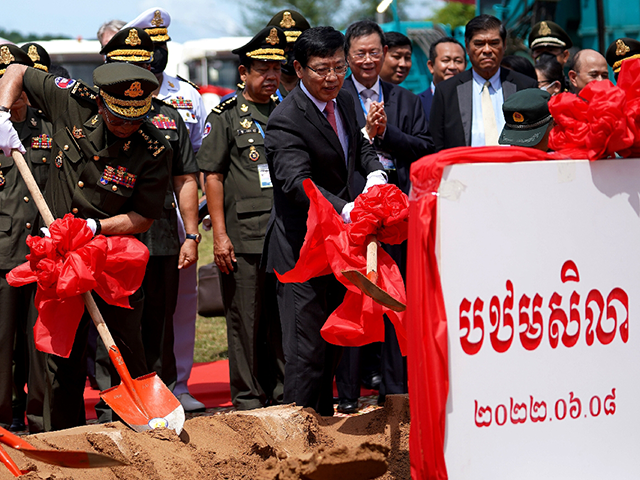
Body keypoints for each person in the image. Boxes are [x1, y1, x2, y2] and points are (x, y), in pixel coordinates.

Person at [0, 61, 171, 431]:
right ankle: (63, 437)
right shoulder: (71, 100)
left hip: (111, 260)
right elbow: (15, 70)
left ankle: (141, 432)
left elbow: (144, 216)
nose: (126, 127)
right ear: (100, 103)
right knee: (59, 357)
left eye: (135, 119)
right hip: (59, 260)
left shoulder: (154, 147)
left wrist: (96, 227)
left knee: (126, 348)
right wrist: (1, 112)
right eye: (117, 118)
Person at [264, 26, 386, 416]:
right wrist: (346, 208)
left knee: (331, 344)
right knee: (305, 351)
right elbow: (296, 183)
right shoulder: (286, 119)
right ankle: (293, 440)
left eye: (339, 67)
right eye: (322, 69)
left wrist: (374, 174)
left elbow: (360, 145)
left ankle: (321, 425)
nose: (332, 78)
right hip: (301, 251)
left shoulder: (346, 100)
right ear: (298, 69)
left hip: (338, 245)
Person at [99, 27, 200, 413]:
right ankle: (115, 406)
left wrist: (190, 234)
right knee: (116, 322)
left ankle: (162, 401)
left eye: (144, 65)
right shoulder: (98, 113)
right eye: (127, 65)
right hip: (113, 238)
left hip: (159, 238)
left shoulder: (170, 117)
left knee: (158, 322)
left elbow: (186, 178)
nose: (139, 74)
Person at [339, 19, 431, 413]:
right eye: (359, 53)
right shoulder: (337, 96)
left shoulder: (405, 99)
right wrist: (364, 134)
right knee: (355, 298)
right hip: (354, 213)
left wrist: (386, 133)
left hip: (399, 215)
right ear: (347, 57)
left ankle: (394, 390)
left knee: (399, 300)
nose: (368, 60)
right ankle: (347, 395)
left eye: (375, 52)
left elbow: (424, 148)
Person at [198, 27, 286, 410]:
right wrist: (219, 235)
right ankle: (249, 398)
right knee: (245, 321)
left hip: (284, 233)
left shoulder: (288, 110)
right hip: (243, 234)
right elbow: (212, 176)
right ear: (244, 74)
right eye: (261, 69)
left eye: (276, 68)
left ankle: (283, 393)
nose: (270, 76)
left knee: (281, 320)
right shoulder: (227, 116)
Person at [124, 7, 207, 412]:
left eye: (159, 49)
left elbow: (194, 165)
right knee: (128, 308)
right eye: (145, 50)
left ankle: (179, 382)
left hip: (172, 218)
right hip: (121, 219)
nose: (155, 57)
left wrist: (193, 228)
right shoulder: (110, 99)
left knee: (176, 305)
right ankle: (125, 389)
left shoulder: (185, 97)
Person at [0, 44, 51, 434]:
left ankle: (41, 421)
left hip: (42, 256)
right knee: (1, 345)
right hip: (1, 254)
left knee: (39, 345)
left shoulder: (47, 130)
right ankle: (3, 422)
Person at [429, 15, 538, 152]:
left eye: (494, 43)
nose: (487, 50)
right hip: (463, 170)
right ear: (467, 47)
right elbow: (436, 145)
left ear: (504, 45)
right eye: (479, 44)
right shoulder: (446, 91)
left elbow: (537, 142)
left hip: (515, 169)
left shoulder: (525, 87)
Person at [417, 36, 466, 123]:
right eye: (446, 60)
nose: (452, 66)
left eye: (458, 61)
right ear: (431, 66)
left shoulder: (475, 100)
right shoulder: (416, 103)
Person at [267, 10, 311, 100]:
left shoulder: (314, 88)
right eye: (285, 47)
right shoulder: (263, 89)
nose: (291, 52)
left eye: (295, 47)